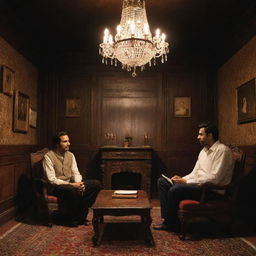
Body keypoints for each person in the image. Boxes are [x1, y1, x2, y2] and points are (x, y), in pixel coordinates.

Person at [153, 122, 234, 231]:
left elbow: (215, 178)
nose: (198, 137)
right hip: (199, 186)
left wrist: (185, 182)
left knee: (175, 189)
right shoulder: (203, 151)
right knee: (162, 182)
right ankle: (168, 219)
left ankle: (171, 223)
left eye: (201, 134)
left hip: (211, 191)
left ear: (210, 135)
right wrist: (182, 179)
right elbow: (195, 173)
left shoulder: (223, 151)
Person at [42, 131, 101, 226]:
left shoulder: (71, 155)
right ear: (57, 144)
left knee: (96, 184)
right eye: (65, 141)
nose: (68, 144)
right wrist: (73, 185)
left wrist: (80, 184)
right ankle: (72, 218)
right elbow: (52, 180)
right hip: (57, 187)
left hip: (71, 184)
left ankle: (80, 216)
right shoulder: (48, 156)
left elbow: (76, 173)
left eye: (68, 141)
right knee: (71, 190)